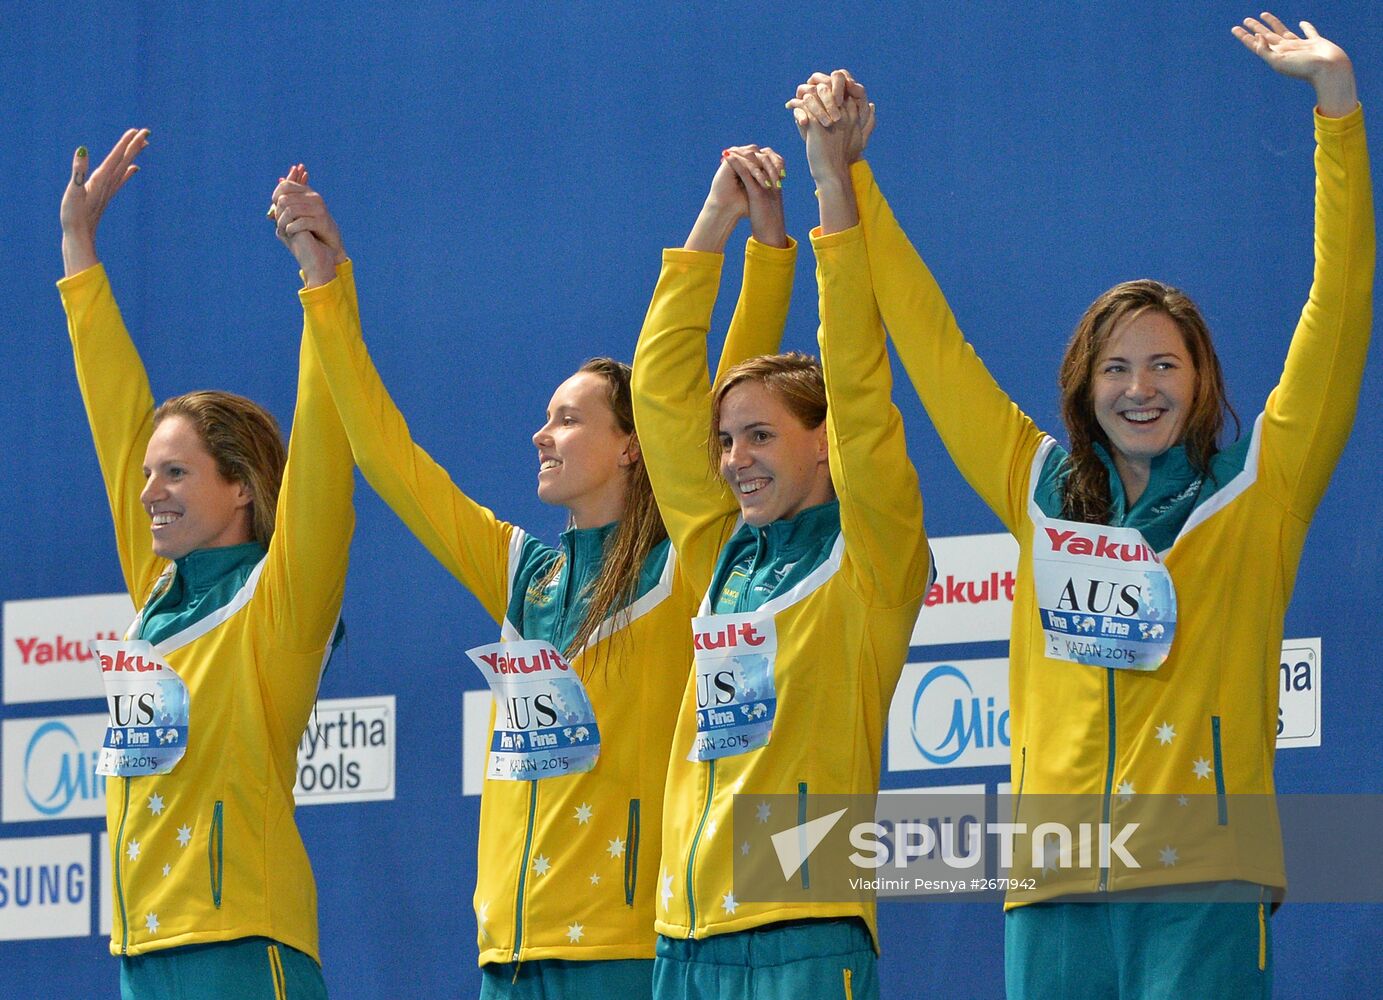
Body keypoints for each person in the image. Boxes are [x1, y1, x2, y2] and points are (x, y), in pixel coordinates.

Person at [791, 11, 1372, 997]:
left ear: (1202, 379)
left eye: (1163, 364)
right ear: (1082, 384)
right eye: (1115, 366)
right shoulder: (1037, 485)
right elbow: (929, 342)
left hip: (1205, 885)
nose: (1139, 387)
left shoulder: (1257, 489)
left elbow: (1341, 305)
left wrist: (1339, 108)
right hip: (1053, 885)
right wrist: (843, 184)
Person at [269, 145, 796, 998]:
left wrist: (758, 248)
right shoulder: (524, 576)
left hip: (627, 957)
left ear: (632, 446)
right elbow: (388, 457)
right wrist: (326, 284)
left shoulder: (687, 562)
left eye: (565, 419)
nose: (539, 435)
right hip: (506, 963)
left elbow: (722, 399)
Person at [632, 97, 931, 1000]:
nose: (733, 461)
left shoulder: (872, 553)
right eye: (726, 441)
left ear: (822, 441)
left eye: (758, 437)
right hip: (683, 933)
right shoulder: (719, 548)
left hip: (803, 926)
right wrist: (718, 223)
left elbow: (857, 377)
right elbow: (657, 390)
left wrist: (828, 185)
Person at [58, 134, 355, 998]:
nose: (149, 491)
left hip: (242, 948)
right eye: (150, 475)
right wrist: (79, 247)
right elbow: (115, 415)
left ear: (244, 492)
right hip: (140, 953)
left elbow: (327, 457)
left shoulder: (279, 601)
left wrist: (322, 283)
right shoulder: (156, 597)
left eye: (176, 473)